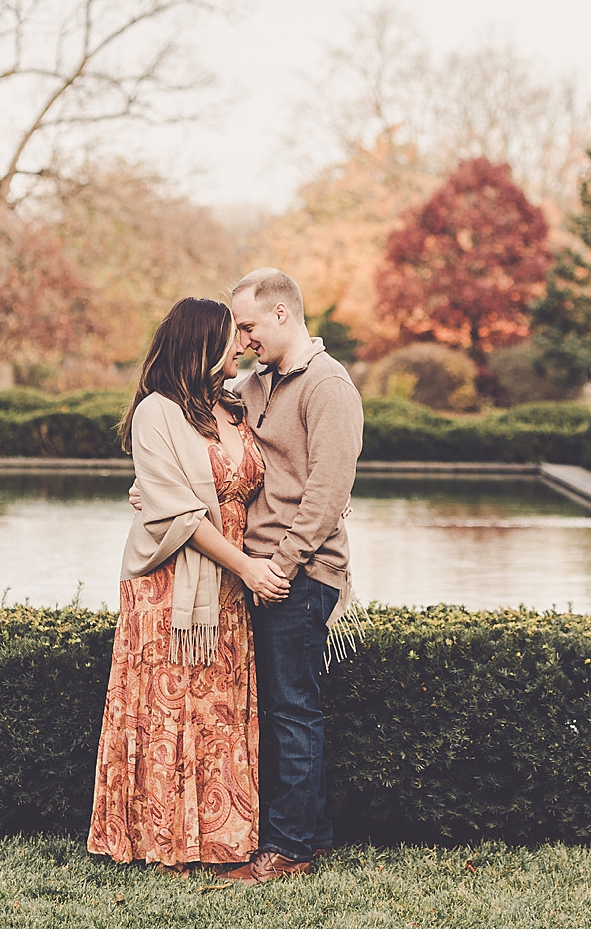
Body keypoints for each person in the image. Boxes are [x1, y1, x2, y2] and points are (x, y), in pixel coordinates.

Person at [87, 296, 292, 872]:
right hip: (171, 585)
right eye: (232, 337)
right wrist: (247, 566)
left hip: (226, 587)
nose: (242, 346)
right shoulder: (158, 411)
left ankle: (222, 838)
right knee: (171, 708)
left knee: (220, 708)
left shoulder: (235, 404)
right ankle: (162, 840)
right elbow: (180, 513)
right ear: (203, 344)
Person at [214, 267, 365, 884]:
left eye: (248, 325)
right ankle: (313, 834)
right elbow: (203, 420)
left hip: (299, 574)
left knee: (292, 711)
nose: (242, 338)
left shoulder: (329, 386)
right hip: (262, 571)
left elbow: (328, 494)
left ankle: (289, 849)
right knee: (279, 708)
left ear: (282, 314)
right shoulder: (256, 384)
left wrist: (279, 566)